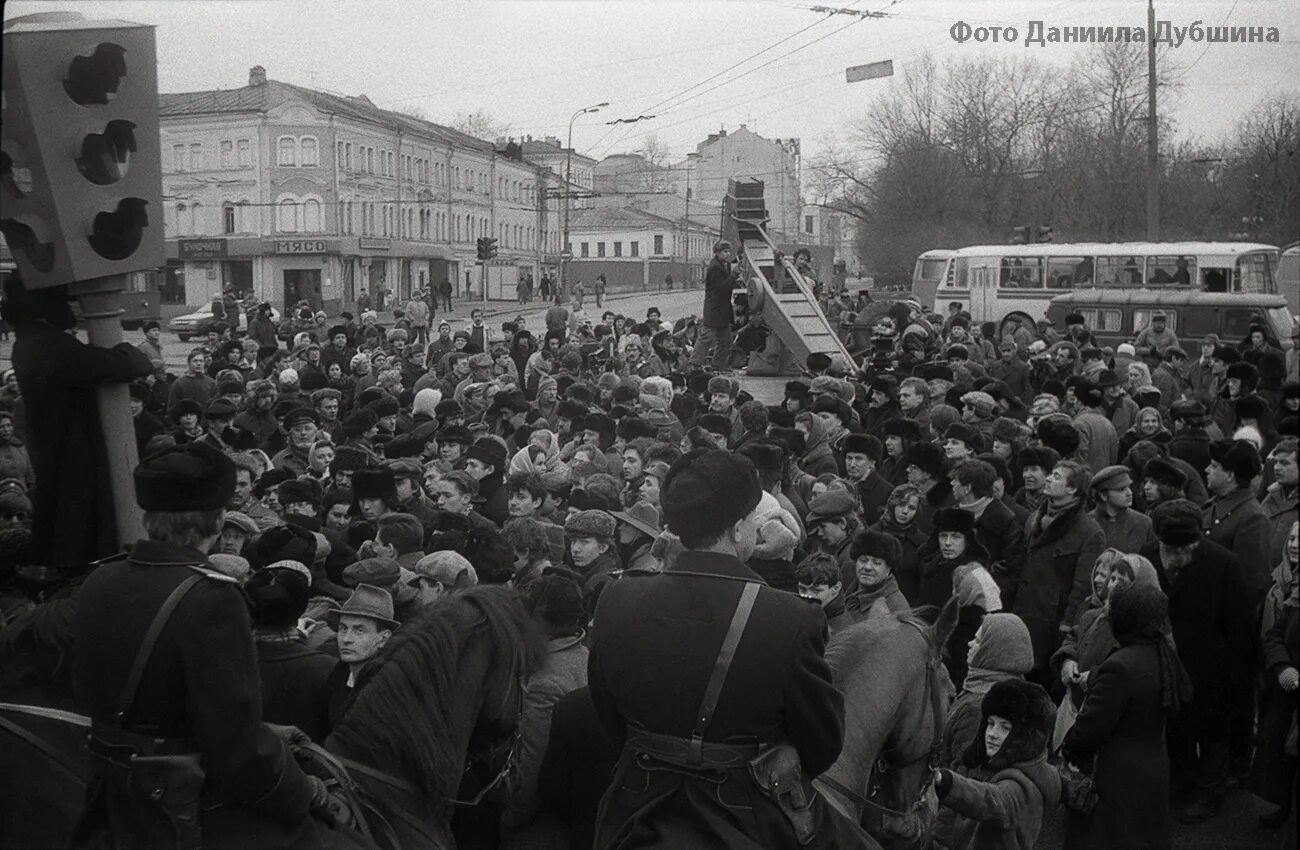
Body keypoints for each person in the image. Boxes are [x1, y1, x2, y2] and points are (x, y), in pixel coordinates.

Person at [73, 442, 353, 849]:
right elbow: (235, 747)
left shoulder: (101, 578)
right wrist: (300, 790)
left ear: (149, 515)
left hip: (110, 790)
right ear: (219, 519)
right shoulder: (213, 596)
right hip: (179, 799)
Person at [587, 449, 869, 849]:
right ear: (738, 529)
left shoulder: (616, 595)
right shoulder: (791, 617)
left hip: (632, 805)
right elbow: (820, 745)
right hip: (741, 816)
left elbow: (609, 715)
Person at [1062, 583, 1193, 850]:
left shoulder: (1119, 667)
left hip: (1115, 779)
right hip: (1153, 768)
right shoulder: (1164, 655)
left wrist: (1069, 745)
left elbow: (1090, 729)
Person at [933, 679, 1059, 850]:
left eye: (1005, 728)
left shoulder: (1020, 787)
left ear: (1024, 736)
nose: (992, 734)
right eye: (990, 724)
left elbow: (990, 800)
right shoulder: (989, 765)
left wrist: (945, 780)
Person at [688, 240, 738, 372]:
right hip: (715, 308)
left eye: (728, 251)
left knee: (725, 339)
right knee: (706, 337)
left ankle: (718, 365)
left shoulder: (723, 264)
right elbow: (721, 288)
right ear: (717, 252)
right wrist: (734, 276)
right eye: (724, 252)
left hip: (721, 309)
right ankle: (695, 364)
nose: (727, 254)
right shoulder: (715, 267)